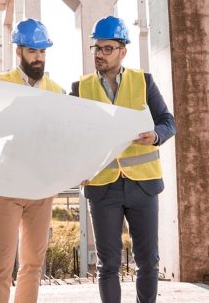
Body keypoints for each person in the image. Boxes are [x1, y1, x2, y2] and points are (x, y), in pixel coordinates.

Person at [70, 16, 176, 303]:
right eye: (97, 48)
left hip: (143, 186)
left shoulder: (143, 81)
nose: (100, 54)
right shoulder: (80, 88)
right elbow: (71, 136)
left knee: (148, 262)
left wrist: (155, 135)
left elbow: (168, 121)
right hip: (103, 186)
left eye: (107, 49)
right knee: (108, 266)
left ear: (122, 51)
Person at [0, 18, 65, 303]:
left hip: (41, 189)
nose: (38, 57)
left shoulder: (57, 91)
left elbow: (63, 139)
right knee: (0, 267)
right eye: (32, 51)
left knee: (32, 266)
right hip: (6, 187)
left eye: (42, 52)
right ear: (19, 51)